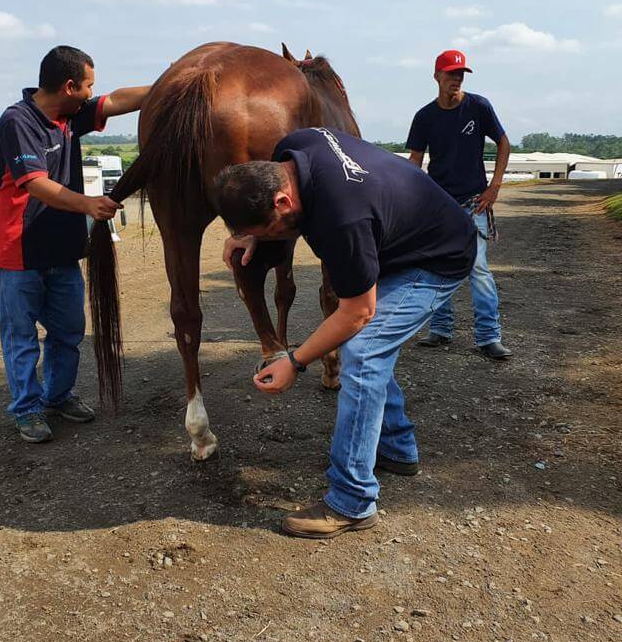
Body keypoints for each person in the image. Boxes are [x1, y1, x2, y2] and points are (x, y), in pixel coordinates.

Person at [216, 126, 476, 539]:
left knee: (363, 351)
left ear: (282, 200)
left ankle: (352, 501)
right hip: (401, 238)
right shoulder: (295, 147)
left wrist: (294, 361)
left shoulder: (342, 216)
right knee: (365, 347)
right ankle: (395, 447)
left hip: (437, 259)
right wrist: (249, 234)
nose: (270, 241)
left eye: (269, 231)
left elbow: (358, 312)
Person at [0, 45, 147, 442]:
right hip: (18, 251)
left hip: (61, 249)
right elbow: (37, 185)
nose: (94, 93)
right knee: (21, 337)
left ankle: (59, 395)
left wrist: (172, 83)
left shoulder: (69, 116)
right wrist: (88, 204)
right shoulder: (18, 121)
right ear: (70, 85)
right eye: (89, 85)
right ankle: (27, 408)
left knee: (68, 330)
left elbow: (118, 101)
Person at [406, 50, 512, 359]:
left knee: (477, 269)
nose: (456, 78)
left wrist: (494, 187)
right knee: (436, 267)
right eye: (451, 73)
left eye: (461, 73)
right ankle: (440, 330)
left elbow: (503, 143)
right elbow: (415, 161)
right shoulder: (424, 117)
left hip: (474, 203)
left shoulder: (478, 106)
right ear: (436, 75)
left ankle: (489, 337)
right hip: (438, 205)